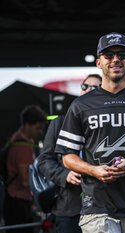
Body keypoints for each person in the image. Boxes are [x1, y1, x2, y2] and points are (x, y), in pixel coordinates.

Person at [55, 32, 125, 233]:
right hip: (98, 210)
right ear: (99, 62)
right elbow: (67, 157)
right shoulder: (80, 105)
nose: (116, 59)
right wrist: (94, 170)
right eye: (109, 55)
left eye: (122, 54)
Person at [37, 74, 102, 233]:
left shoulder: (108, 123)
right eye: (85, 86)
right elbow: (44, 160)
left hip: (101, 206)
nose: (88, 90)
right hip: (69, 207)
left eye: (96, 87)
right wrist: (65, 175)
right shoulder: (60, 122)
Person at [4, 105, 47, 233]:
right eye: (38, 128)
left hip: (14, 200)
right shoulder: (23, 146)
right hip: (17, 202)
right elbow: (25, 180)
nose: (40, 132)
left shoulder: (15, 139)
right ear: (28, 125)